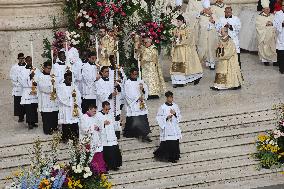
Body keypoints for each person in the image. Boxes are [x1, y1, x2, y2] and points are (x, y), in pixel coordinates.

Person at [171, 14, 203, 88]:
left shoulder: (188, 29)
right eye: (176, 21)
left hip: (185, 50)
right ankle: (178, 81)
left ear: (182, 21)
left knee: (188, 66)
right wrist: (174, 39)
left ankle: (196, 77)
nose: (177, 23)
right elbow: (173, 38)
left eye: (178, 21)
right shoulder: (175, 29)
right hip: (177, 50)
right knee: (177, 65)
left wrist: (180, 40)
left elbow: (190, 39)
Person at [124, 68, 152, 142]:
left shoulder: (140, 81)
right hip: (133, 103)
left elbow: (146, 89)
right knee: (135, 118)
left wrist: (142, 89)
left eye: (136, 74)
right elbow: (127, 94)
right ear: (130, 74)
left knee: (143, 117)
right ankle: (135, 133)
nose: (135, 75)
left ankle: (144, 135)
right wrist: (137, 98)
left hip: (140, 102)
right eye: (134, 74)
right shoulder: (127, 83)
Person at [154, 91, 181, 163]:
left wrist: (175, 114)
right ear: (166, 98)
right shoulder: (162, 107)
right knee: (169, 143)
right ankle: (169, 157)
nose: (171, 99)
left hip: (174, 127)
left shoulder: (175, 106)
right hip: (167, 127)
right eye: (169, 97)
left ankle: (175, 157)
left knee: (175, 142)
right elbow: (158, 117)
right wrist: (166, 117)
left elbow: (179, 116)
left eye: (172, 97)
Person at [79, 104, 107, 174]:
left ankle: (101, 169)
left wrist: (99, 127)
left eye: (95, 111)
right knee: (91, 155)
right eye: (94, 111)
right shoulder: (83, 117)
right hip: (88, 139)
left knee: (99, 153)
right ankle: (94, 170)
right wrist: (93, 127)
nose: (95, 113)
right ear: (89, 109)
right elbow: (83, 129)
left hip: (96, 138)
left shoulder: (94, 116)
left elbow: (99, 126)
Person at [96, 66, 122, 139]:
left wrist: (118, 86)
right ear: (101, 72)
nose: (107, 73)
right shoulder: (99, 82)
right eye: (106, 71)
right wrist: (110, 95)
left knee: (115, 119)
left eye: (108, 71)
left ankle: (116, 134)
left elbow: (119, 90)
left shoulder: (112, 80)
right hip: (105, 104)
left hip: (114, 105)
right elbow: (100, 95)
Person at [96, 101, 122, 171]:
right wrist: (103, 123)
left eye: (109, 109)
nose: (107, 111)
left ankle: (115, 165)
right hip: (105, 137)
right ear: (103, 107)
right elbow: (96, 126)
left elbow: (115, 126)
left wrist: (118, 122)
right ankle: (107, 166)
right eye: (106, 109)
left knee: (114, 151)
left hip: (112, 136)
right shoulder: (98, 115)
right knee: (107, 152)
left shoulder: (111, 114)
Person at [57, 69, 81, 142]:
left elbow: (79, 96)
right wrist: (72, 101)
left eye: (71, 78)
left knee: (74, 122)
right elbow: (62, 98)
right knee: (66, 123)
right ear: (65, 78)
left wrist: (76, 101)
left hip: (74, 107)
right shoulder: (61, 86)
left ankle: (75, 138)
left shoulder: (74, 86)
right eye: (68, 78)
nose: (70, 80)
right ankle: (65, 138)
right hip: (66, 108)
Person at [37, 61, 59, 135]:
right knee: (47, 115)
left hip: (54, 99)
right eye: (48, 68)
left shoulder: (53, 76)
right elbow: (42, 88)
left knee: (54, 114)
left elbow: (58, 85)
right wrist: (52, 87)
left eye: (50, 68)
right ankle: (47, 130)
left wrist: (55, 85)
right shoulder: (40, 76)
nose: (49, 70)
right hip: (45, 99)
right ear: (44, 68)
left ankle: (54, 127)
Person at [19, 56, 40, 129]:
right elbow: (21, 81)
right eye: (28, 61)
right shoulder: (22, 71)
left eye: (31, 60)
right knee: (28, 108)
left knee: (34, 107)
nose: (29, 62)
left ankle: (34, 122)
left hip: (34, 91)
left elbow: (40, 78)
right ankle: (29, 123)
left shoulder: (36, 69)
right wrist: (30, 76)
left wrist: (36, 82)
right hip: (27, 91)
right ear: (26, 61)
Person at [197, 0, 218, 70]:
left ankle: (212, 63)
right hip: (204, 36)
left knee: (211, 49)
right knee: (203, 49)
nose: (210, 10)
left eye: (210, 8)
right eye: (208, 9)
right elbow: (201, 26)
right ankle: (198, 63)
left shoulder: (213, 15)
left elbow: (218, 24)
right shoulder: (201, 17)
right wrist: (208, 25)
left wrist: (213, 22)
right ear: (204, 10)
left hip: (212, 36)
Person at [256, 0, 277, 66]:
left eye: (268, 9)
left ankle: (274, 60)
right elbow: (258, 26)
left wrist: (272, 23)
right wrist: (265, 24)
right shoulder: (259, 17)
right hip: (264, 36)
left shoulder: (272, 16)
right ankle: (265, 60)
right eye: (266, 9)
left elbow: (277, 24)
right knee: (264, 47)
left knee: (273, 47)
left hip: (272, 36)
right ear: (263, 9)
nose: (268, 10)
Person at [10, 53, 26, 122]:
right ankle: (20, 116)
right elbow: (12, 76)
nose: (22, 60)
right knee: (18, 102)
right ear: (18, 59)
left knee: (26, 103)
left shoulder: (27, 66)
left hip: (25, 87)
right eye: (20, 58)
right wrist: (17, 84)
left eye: (23, 58)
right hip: (18, 88)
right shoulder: (14, 67)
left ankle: (27, 116)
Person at [273, 1, 284, 74]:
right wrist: (282, 24)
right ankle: (282, 68)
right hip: (281, 35)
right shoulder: (278, 14)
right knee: (282, 53)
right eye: (283, 5)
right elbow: (275, 25)